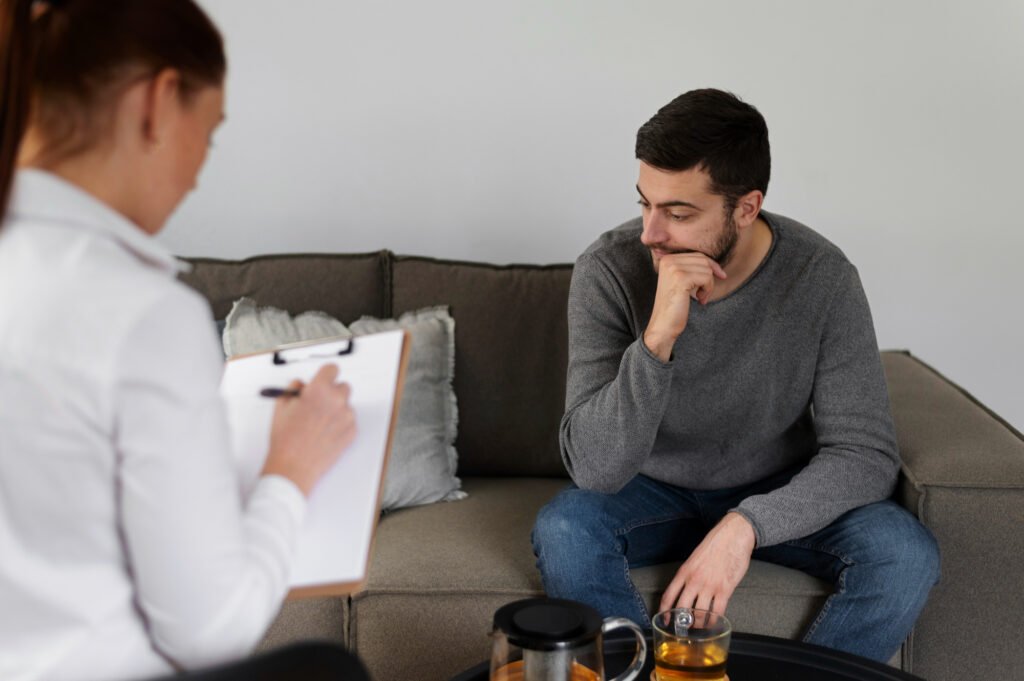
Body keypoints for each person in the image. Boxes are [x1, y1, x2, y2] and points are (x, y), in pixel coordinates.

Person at [0, 1, 364, 679]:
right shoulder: (142, 315)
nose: (199, 172)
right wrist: (292, 467)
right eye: (211, 134)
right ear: (160, 101)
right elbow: (211, 632)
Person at [531, 88, 941, 663]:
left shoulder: (822, 277)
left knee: (905, 553)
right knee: (564, 530)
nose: (650, 232)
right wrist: (657, 340)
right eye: (645, 204)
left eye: (679, 214)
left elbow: (865, 454)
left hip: (774, 484)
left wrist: (746, 525)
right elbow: (595, 471)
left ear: (746, 208)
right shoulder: (608, 269)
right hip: (646, 490)